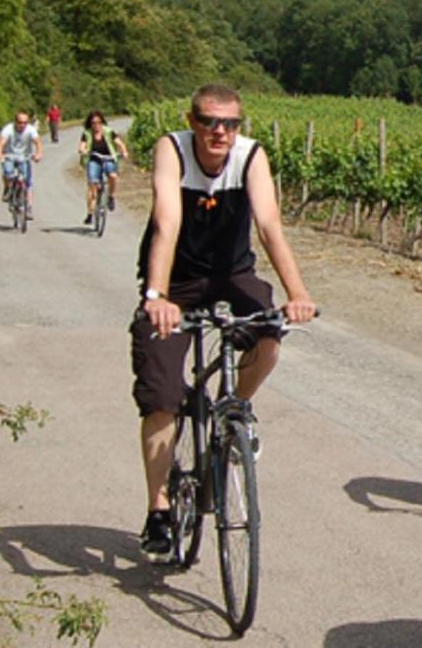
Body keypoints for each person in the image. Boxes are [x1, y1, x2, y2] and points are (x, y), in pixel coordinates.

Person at [130, 83, 316, 562]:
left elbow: (270, 225)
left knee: (270, 337)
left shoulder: (251, 157)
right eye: (210, 121)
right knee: (162, 398)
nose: (220, 132)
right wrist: (157, 295)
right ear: (191, 121)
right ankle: (158, 508)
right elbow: (166, 223)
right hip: (177, 278)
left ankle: (235, 410)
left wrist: (297, 293)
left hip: (232, 274)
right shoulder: (171, 150)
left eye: (230, 123)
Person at [78, 110, 130, 224]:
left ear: (102, 122)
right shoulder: (87, 134)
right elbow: (82, 146)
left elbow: (119, 143)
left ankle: (111, 196)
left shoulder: (109, 132)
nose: (96, 125)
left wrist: (124, 152)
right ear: (90, 124)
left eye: (99, 122)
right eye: (93, 123)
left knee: (113, 175)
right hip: (94, 159)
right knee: (92, 184)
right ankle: (90, 213)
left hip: (108, 158)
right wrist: (83, 150)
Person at [0, 112, 43, 220]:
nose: (22, 125)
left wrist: (38, 154)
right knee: (8, 173)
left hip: (25, 157)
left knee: (27, 182)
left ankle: (29, 207)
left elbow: (38, 142)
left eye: (25, 123)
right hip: (9, 155)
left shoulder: (30, 130)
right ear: (15, 122)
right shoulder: (8, 129)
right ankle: (7, 188)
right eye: (20, 122)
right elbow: (1, 144)